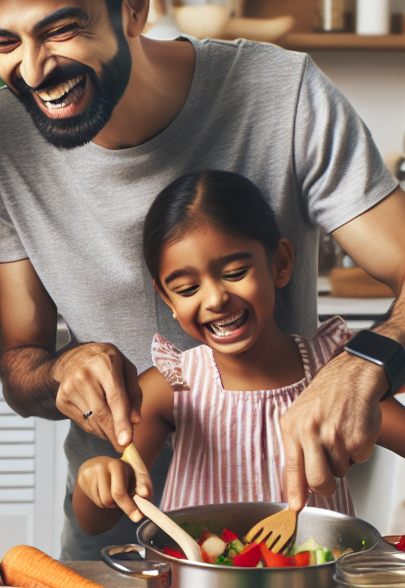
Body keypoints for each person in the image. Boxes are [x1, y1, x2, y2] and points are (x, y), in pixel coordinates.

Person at [0, 0, 405, 559]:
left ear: (133, 4)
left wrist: (363, 365)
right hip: (111, 518)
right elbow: (21, 364)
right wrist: (60, 375)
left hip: (280, 530)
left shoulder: (282, 94)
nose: (34, 72)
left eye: (60, 31)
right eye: (4, 42)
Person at [74, 171, 405, 534]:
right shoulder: (171, 386)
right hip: (200, 585)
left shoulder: (334, 378)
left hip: (319, 585)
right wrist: (100, 479)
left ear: (279, 263)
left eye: (235, 272)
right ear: (167, 298)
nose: (215, 299)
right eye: (187, 289)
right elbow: (95, 521)